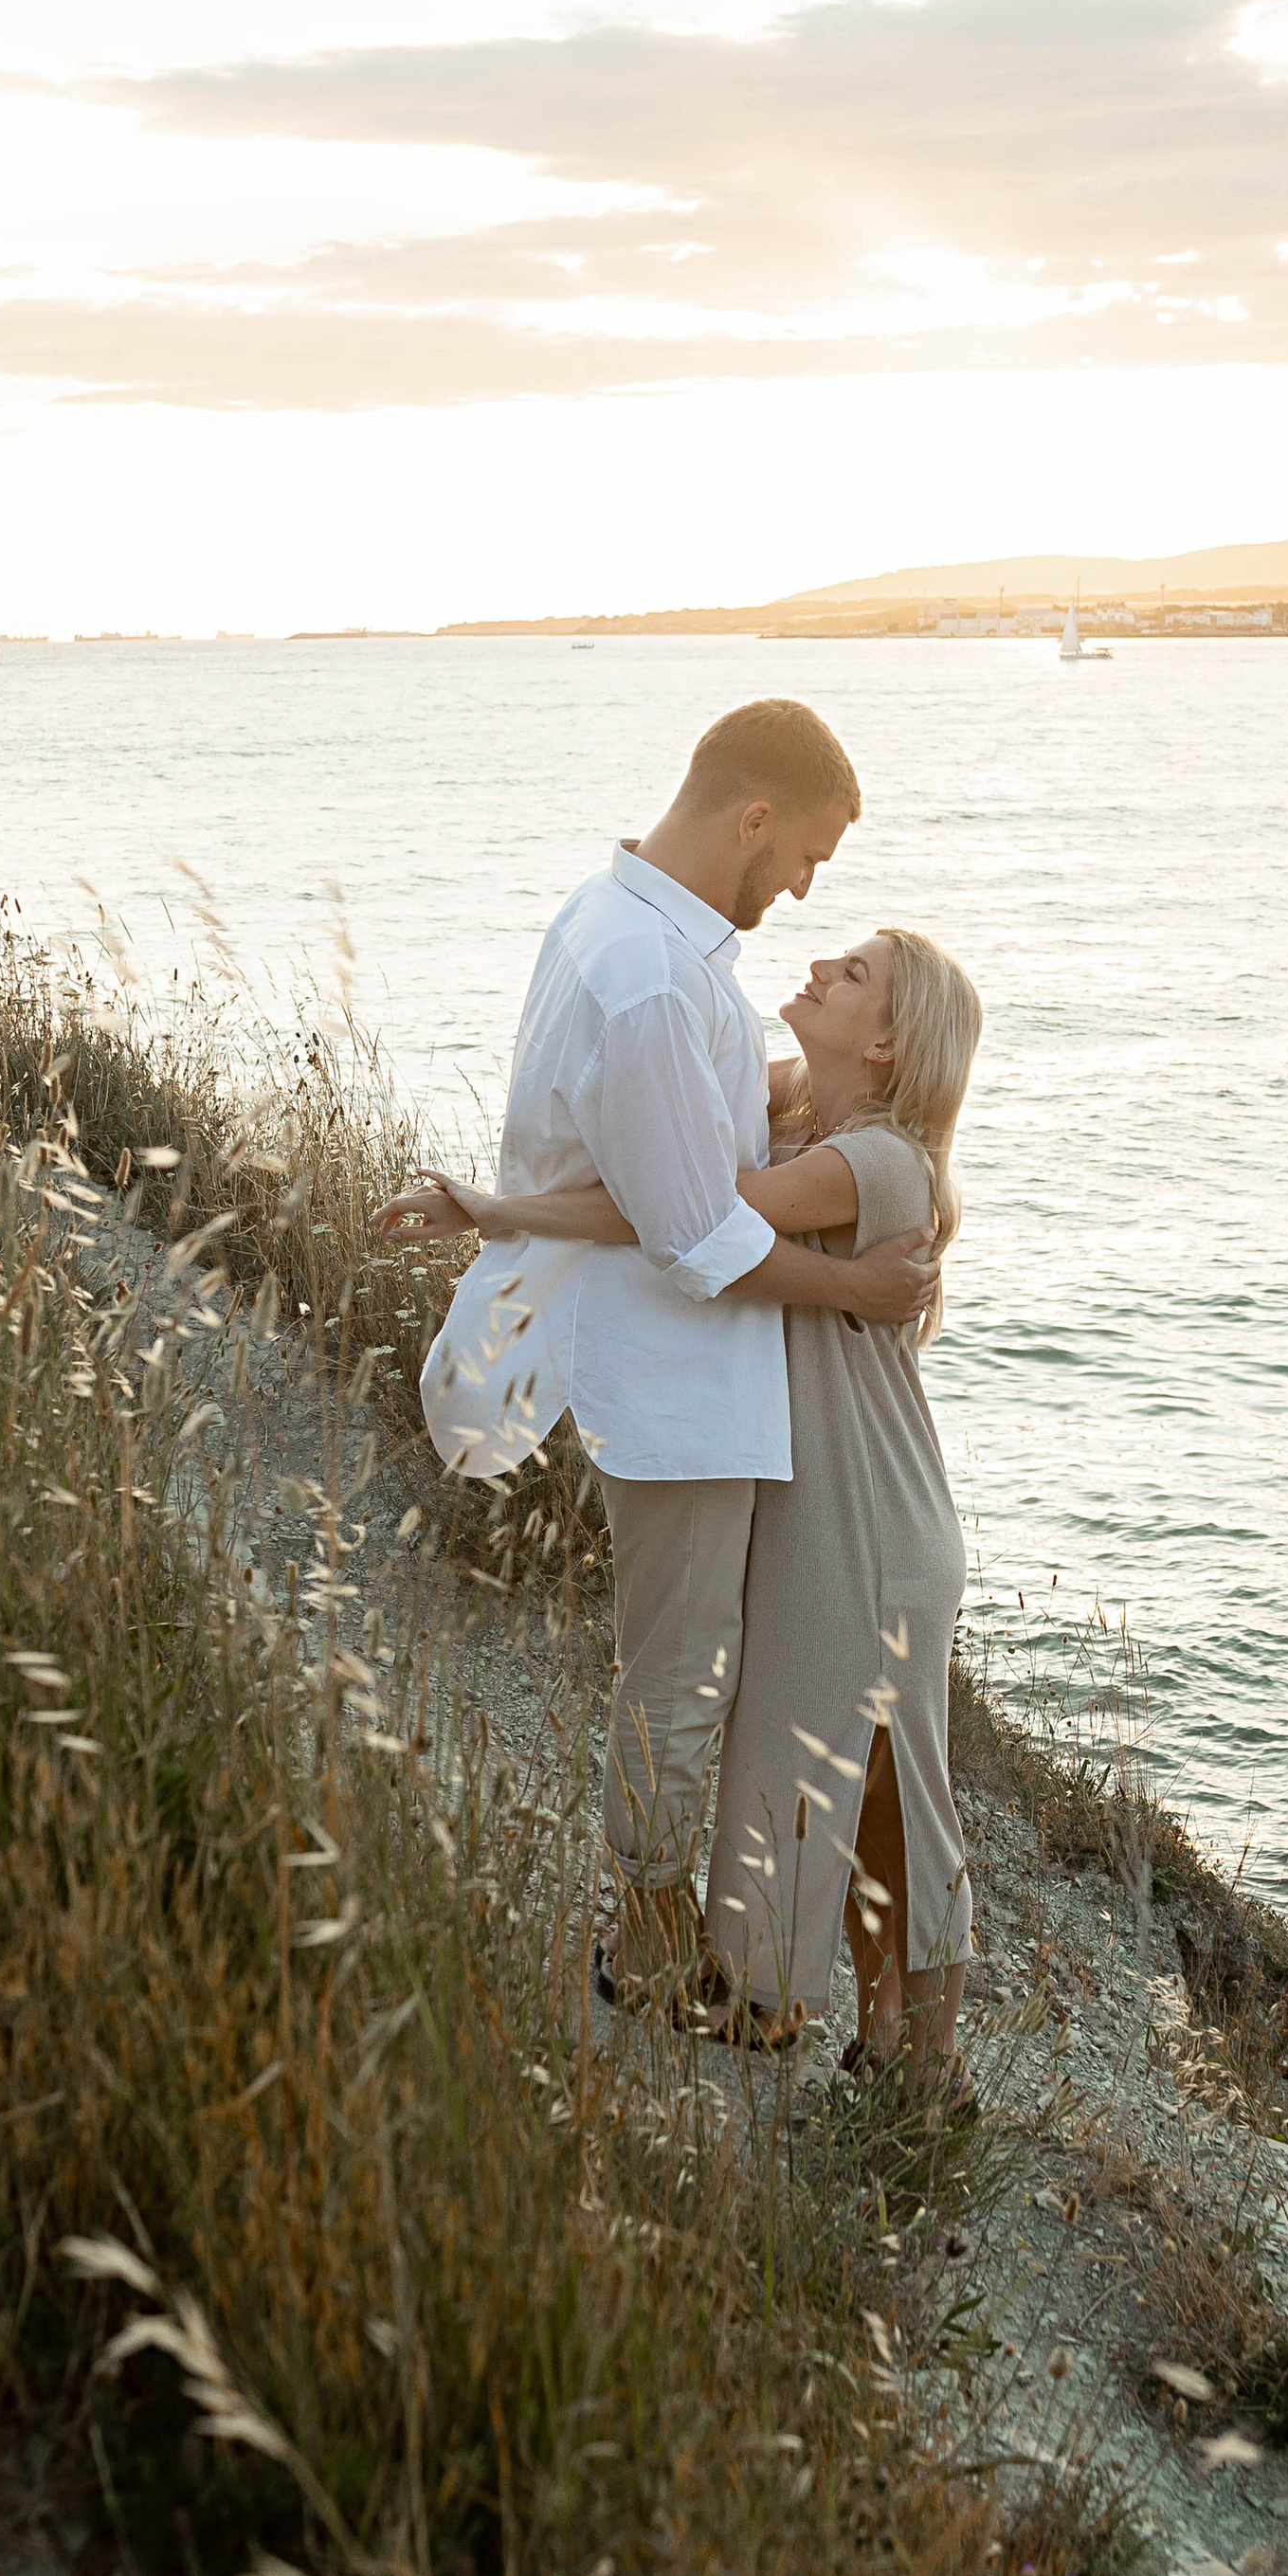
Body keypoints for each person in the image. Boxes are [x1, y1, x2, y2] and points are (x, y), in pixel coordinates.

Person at [378, 701, 936, 2023]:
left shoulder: (649, 945)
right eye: (803, 853)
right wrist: (856, 1285)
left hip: (702, 1377)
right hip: (680, 1379)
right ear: (751, 816)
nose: (804, 887)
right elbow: (698, 1234)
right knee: (679, 1673)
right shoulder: (644, 970)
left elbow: (664, 1181)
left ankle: (698, 1933)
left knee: (700, 1668)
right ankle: (641, 1944)